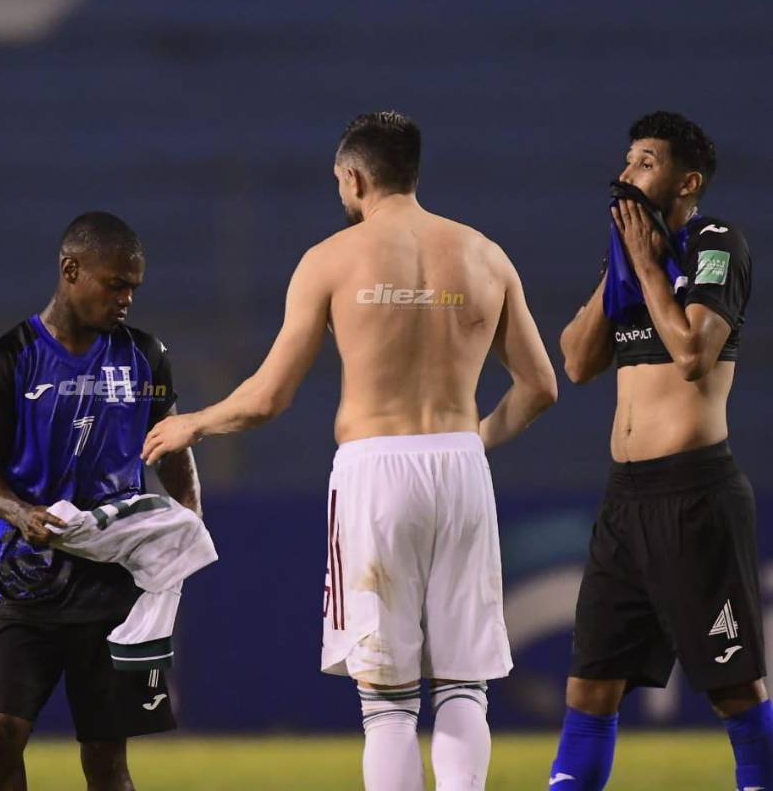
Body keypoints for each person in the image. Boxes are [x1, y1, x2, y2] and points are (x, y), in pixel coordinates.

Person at [142, 111, 557, 791]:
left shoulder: (332, 260)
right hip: (460, 465)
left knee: (387, 699)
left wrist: (196, 423)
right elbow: (540, 388)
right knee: (463, 684)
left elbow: (268, 397)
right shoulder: (485, 254)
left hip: (376, 472)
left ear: (354, 177)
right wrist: (473, 440)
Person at [551, 111, 763, 791]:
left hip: (694, 495)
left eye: (645, 162)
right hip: (626, 501)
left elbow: (694, 355)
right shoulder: (630, 257)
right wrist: (621, 266)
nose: (626, 174)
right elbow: (577, 363)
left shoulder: (716, 244)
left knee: (734, 688)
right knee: (590, 688)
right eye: (628, 159)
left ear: (686, 181)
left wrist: (645, 265)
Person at [0, 211, 202, 791]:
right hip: (24, 582)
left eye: (133, 288)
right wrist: (20, 513)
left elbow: (171, 448)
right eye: (115, 284)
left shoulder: (145, 356)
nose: (126, 299)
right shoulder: (6, 359)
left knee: (105, 756)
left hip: (113, 584)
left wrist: (189, 521)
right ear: (71, 270)